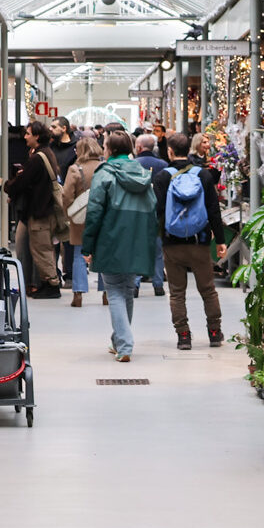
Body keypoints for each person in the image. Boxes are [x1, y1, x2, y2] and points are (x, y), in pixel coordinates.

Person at [80, 130, 160, 361]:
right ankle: (118, 341)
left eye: (105, 145)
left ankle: (125, 345)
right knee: (126, 290)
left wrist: (88, 246)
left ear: (110, 149)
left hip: (111, 238)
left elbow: (94, 211)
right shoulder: (143, 174)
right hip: (136, 238)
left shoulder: (104, 174)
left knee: (114, 290)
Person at [151, 132, 226, 350]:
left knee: (176, 292)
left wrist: (159, 238)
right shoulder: (203, 175)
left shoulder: (162, 177)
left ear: (170, 151)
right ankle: (214, 331)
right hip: (199, 241)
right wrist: (220, 240)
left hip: (172, 244)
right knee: (208, 289)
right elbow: (213, 209)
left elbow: (158, 211)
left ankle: (183, 336)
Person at [4, 120, 63, 297]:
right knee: (40, 248)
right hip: (42, 209)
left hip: (40, 211)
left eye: (28, 133)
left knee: (41, 249)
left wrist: (7, 185)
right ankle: (42, 283)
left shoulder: (38, 158)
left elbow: (23, 182)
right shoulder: (45, 154)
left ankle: (51, 285)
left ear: (37, 136)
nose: (25, 137)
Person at [59, 136, 107, 306]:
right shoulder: (105, 167)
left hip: (80, 219)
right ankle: (106, 292)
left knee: (79, 255)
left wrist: (69, 213)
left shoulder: (75, 169)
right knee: (101, 253)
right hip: (102, 216)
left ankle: (78, 293)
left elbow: (66, 195)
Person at [133, 134, 169, 296]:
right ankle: (158, 284)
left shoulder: (133, 164)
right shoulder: (163, 165)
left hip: (138, 213)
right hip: (158, 212)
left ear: (139, 147)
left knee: (138, 249)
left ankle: (135, 284)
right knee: (157, 251)